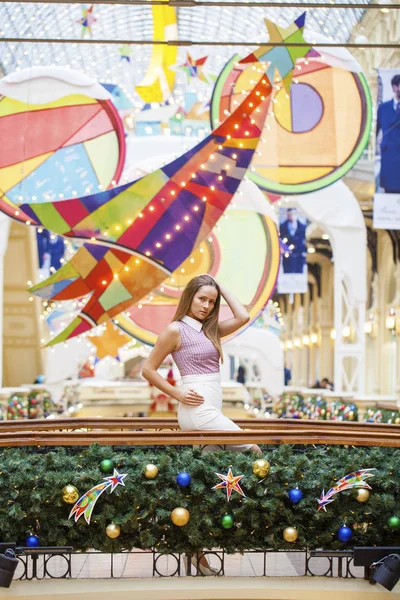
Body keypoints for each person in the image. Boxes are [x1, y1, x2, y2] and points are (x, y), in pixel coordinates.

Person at [142, 274, 262, 575]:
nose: (207, 306)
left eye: (212, 301)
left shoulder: (211, 331)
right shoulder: (175, 329)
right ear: (189, 297)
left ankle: (195, 549)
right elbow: (148, 369)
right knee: (254, 449)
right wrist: (177, 392)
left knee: (205, 485)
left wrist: (220, 287)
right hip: (197, 411)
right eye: (202, 299)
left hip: (211, 407)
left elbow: (244, 315)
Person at [376, 74, 400, 193]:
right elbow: (376, 130)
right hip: (388, 154)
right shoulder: (383, 108)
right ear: (395, 87)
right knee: (389, 191)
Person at [280, 208, 307, 274]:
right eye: (290, 214)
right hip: (287, 257)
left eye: (293, 214)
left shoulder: (303, 227)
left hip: (299, 257)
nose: (292, 216)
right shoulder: (282, 227)